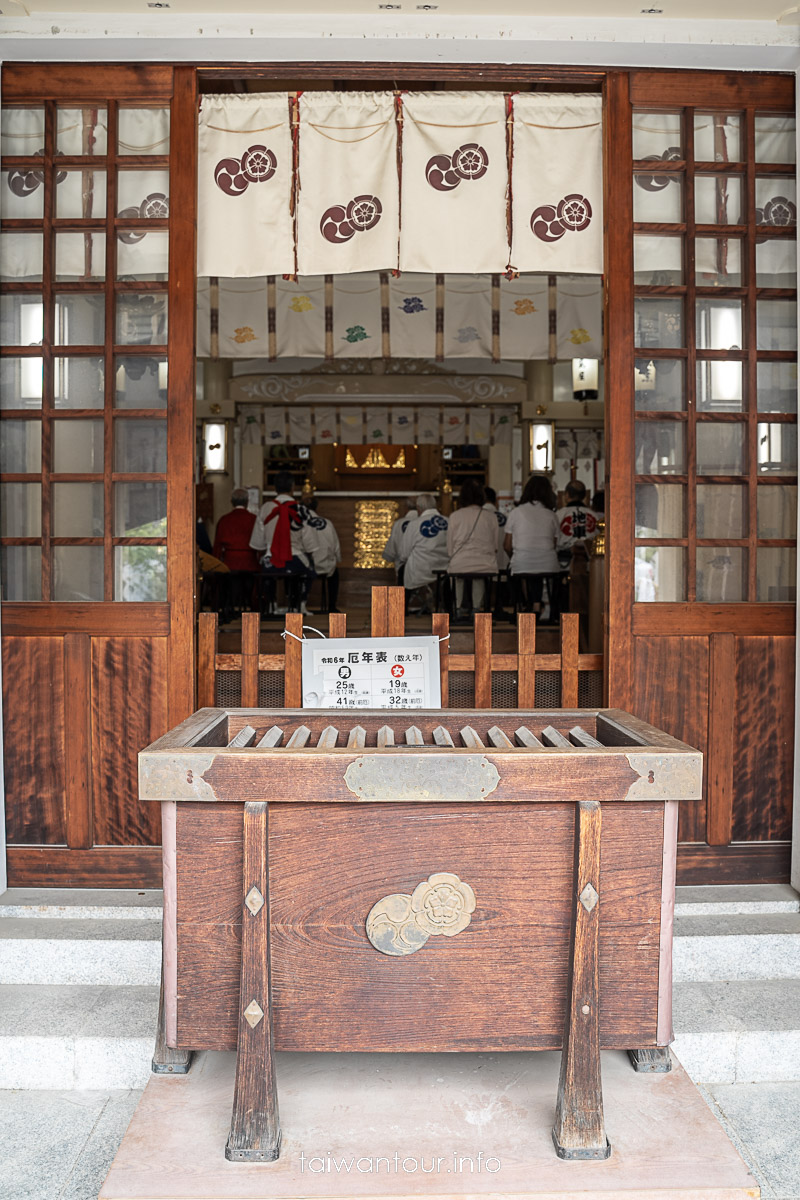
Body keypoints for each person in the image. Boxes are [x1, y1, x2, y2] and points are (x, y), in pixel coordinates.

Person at [250, 471, 316, 613]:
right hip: (296, 558)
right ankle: (300, 604)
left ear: (275, 488)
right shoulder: (301, 509)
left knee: (266, 569)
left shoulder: (265, 509)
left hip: (271, 560)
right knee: (310, 570)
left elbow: (257, 543)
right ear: (293, 487)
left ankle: (272, 604)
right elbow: (310, 543)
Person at [503, 474, 561, 619]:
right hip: (548, 563)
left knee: (520, 569)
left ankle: (524, 606)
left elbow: (507, 545)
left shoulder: (515, 513)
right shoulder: (551, 515)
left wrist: (515, 557)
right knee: (537, 569)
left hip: (522, 561)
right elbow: (553, 544)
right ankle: (537, 605)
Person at [446, 477, 501, 613]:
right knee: (479, 576)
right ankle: (477, 607)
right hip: (485, 564)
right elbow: (495, 546)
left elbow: (450, 548)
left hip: (460, 563)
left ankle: (458, 607)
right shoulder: (491, 517)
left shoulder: (455, 516)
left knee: (457, 575)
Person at [399, 493, 449, 613]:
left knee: (402, 570)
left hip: (420, 569)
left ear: (419, 508)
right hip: (445, 568)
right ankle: (449, 609)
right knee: (447, 578)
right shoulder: (449, 521)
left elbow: (404, 553)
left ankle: (403, 609)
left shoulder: (414, 524)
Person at [299, 498, 342, 613]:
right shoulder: (328, 523)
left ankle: (297, 604)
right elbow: (336, 546)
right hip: (326, 566)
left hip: (306, 566)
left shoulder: (300, 523)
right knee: (334, 574)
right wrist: (337, 559)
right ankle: (332, 606)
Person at [212, 487, 259, 573]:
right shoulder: (254, 519)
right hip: (250, 563)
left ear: (232, 502)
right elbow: (259, 543)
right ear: (247, 502)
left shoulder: (224, 520)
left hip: (229, 564)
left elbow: (217, 546)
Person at [382, 497, 417, 586]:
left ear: (405, 508)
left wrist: (389, 557)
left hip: (403, 570)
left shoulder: (399, 524)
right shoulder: (424, 523)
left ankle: (402, 600)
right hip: (428, 570)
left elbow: (391, 551)